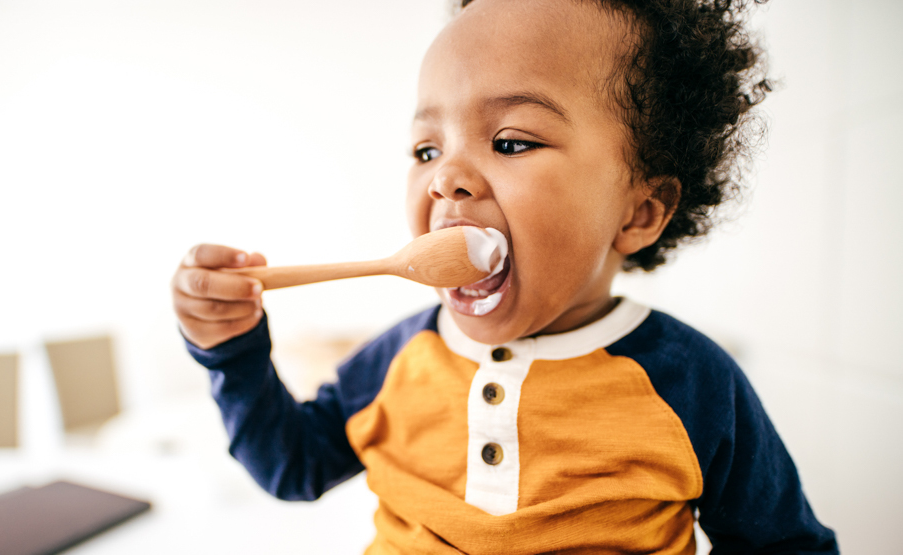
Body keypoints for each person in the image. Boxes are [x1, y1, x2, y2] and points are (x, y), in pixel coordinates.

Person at [170, 0, 838, 552]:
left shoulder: (692, 382)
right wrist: (232, 352)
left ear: (639, 211)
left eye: (512, 141)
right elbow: (291, 465)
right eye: (427, 149)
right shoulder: (401, 358)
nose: (446, 177)